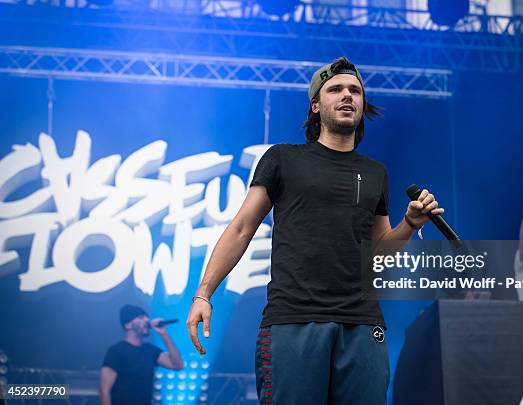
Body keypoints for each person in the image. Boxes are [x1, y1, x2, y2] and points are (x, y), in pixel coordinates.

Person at [186, 56, 444, 404]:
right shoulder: (282, 159)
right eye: (335, 89)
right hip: (294, 319)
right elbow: (242, 228)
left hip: (363, 323)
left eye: (355, 90)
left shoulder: (375, 173)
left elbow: (379, 250)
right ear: (315, 105)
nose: (347, 96)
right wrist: (204, 293)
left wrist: (410, 225)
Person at [99, 305, 184, 405]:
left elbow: (177, 365)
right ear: (128, 325)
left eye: (147, 317)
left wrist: (164, 334)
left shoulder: (150, 351)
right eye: (141, 317)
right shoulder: (116, 351)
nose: (147, 320)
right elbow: (104, 391)